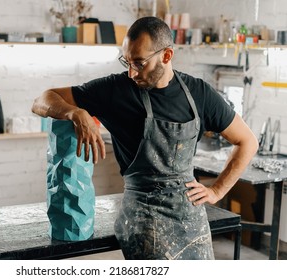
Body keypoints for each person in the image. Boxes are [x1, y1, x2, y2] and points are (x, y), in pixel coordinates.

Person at [31, 16, 258, 260]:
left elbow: (247, 141)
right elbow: (43, 99)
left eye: (139, 63)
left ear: (166, 56)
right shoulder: (116, 90)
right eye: (127, 62)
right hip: (144, 220)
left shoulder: (199, 93)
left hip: (192, 221)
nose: (131, 72)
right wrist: (75, 113)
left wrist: (217, 191)